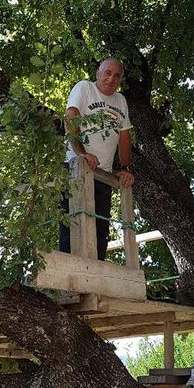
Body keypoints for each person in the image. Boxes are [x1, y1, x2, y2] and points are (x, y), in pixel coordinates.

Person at [59, 58, 135, 260]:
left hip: (104, 175)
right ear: (98, 73)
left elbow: (125, 136)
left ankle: (97, 275)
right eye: (107, 72)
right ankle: (69, 281)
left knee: (100, 228)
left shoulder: (120, 101)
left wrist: (125, 167)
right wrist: (80, 152)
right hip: (76, 166)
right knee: (73, 222)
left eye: (117, 76)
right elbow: (71, 116)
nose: (111, 78)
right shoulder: (84, 88)